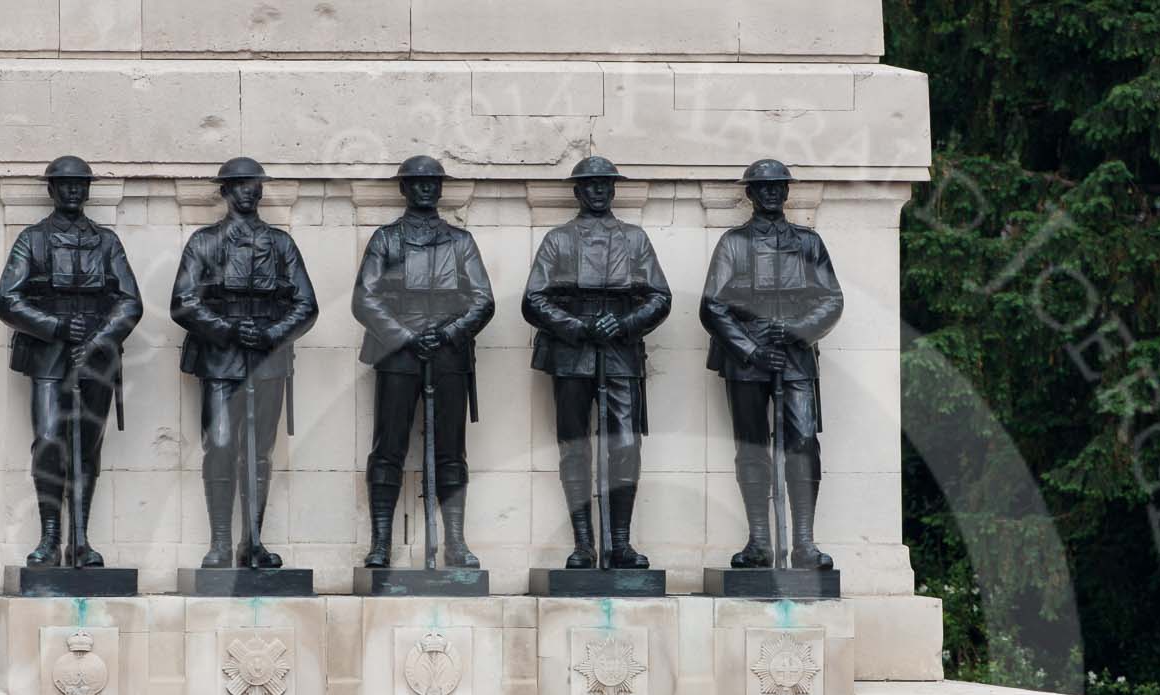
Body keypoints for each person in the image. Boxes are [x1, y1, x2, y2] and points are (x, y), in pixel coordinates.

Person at [522, 155, 672, 569]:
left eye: (605, 184)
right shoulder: (558, 239)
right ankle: (584, 544)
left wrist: (624, 323)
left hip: (621, 351)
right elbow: (534, 299)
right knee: (574, 448)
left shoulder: (634, 238)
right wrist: (576, 326)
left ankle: (619, 543)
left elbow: (660, 296)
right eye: (590, 184)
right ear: (578, 190)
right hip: (571, 352)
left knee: (625, 446)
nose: (599, 191)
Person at [170, 157, 319, 571]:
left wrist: (273, 334)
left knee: (259, 452)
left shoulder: (281, 244)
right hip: (219, 359)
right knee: (219, 445)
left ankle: (252, 542)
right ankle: (220, 542)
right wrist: (228, 330)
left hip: (268, 361)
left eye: (255, 184)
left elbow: (306, 305)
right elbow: (183, 303)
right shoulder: (204, 242)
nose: (249, 190)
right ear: (226, 191)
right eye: (240, 184)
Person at [0, 155, 144, 569]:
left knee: (87, 449)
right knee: (47, 442)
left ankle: (81, 538)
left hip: (95, 358)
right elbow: (8, 300)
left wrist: (98, 339)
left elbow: (129, 302)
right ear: (52, 189)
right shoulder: (33, 240)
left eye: (81, 184)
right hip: (47, 356)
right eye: (66, 184)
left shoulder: (106, 242)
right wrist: (57, 327)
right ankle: (49, 537)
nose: (74, 191)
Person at [350, 155, 496, 569]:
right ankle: (381, 542)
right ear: (404, 188)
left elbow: (482, 300)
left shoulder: (460, 242)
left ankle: (454, 541)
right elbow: (365, 298)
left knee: (450, 451)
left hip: (449, 353)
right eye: (417, 182)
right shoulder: (386, 239)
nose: (426, 188)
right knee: (388, 447)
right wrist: (406, 336)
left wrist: (448, 333)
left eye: (432, 182)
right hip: (397, 353)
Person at [699, 158, 844, 570]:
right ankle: (759, 541)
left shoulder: (808, 243)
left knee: (802, 444)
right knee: (752, 447)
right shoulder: (733, 243)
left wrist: (799, 330)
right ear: (750, 193)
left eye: (778, 187)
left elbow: (831, 299)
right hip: (746, 359)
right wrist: (751, 349)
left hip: (796, 357)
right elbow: (713, 306)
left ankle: (803, 542)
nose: (771, 194)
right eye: (763, 188)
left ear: (786, 191)